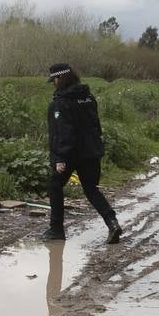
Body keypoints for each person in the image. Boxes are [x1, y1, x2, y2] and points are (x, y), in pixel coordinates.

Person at [44, 63, 123, 244]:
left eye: (54, 79)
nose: (53, 83)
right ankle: (112, 222)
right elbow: (96, 126)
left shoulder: (60, 103)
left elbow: (62, 132)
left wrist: (60, 158)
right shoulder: (88, 98)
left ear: (60, 78)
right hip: (91, 152)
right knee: (91, 189)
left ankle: (56, 229)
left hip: (71, 153)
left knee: (54, 185)